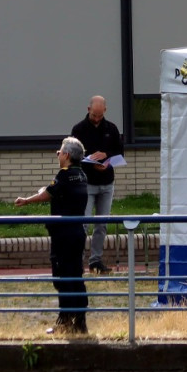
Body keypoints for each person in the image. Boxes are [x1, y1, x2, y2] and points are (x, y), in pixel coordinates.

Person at [15, 136, 90, 334]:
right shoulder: (81, 174)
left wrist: (26, 200)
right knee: (76, 275)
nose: (57, 155)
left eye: (59, 152)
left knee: (62, 276)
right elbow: (54, 191)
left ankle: (65, 320)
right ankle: (80, 321)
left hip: (63, 234)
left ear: (66, 154)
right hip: (78, 232)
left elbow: (47, 193)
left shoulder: (64, 174)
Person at [71, 95, 123, 273]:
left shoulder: (112, 129)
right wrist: (91, 161)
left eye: (100, 116)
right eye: (94, 115)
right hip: (87, 183)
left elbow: (120, 154)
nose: (96, 119)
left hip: (107, 183)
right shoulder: (78, 130)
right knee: (83, 223)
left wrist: (106, 159)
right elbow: (73, 157)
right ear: (88, 110)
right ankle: (78, 261)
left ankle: (96, 260)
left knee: (101, 224)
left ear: (105, 111)